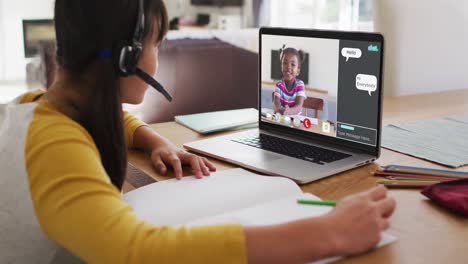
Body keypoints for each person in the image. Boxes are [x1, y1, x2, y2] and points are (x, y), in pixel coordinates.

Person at [0, 0, 396, 263]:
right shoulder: (55, 146)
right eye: (157, 44)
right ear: (127, 57)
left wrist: (153, 139)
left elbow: (104, 117)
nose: (157, 58)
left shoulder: (40, 108)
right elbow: (135, 253)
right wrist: (328, 233)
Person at [273, 47, 307, 116]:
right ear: (281, 66)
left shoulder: (300, 85)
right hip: (282, 119)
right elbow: (276, 104)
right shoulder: (279, 84)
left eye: (293, 64)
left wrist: (289, 111)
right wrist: (278, 109)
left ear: (298, 71)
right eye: (285, 63)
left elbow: (298, 107)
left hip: (295, 122)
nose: (288, 67)